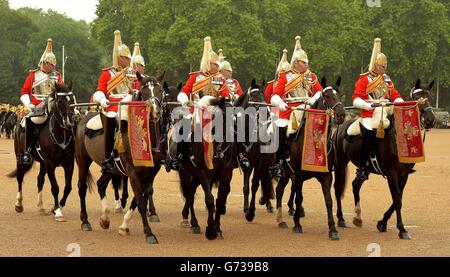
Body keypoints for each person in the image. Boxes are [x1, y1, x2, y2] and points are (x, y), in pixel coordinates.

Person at [166, 36, 224, 171]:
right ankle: (178, 157)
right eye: (215, 64)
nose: (217, 66)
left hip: (215, 112)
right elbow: (184, 92)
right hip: (196, 111)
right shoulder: (195, 77)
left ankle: (234, 156)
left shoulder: (220, 79)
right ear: (208, 64)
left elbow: (225, 95)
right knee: (183, 128)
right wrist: (185, 101)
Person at [352, 38, 403, 180]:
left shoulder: (386, 79)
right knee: (368, 130)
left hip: (385, 110)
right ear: (375, 65)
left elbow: (394, 94)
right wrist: (366, 104)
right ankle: (363, 165)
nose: (384, 69)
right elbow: (356, 98)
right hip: (370, 113)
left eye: (385, 66)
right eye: (382, 66)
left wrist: (399, 101)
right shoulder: (365, 79)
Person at [270, 36, 323, 167]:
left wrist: (313, 99)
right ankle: (279, 161)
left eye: (306, 62)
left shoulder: (311, 76)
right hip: (289, 112)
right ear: (295, 63)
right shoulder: (285, 76)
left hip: (307, 108)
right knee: (280, 131)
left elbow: (319, 91)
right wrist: (281, 104)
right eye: (303, 62)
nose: (306, 65)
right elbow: (274, 96)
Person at [92, 30, 139, 173]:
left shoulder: (133, 74)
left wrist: (130, 98)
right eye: (125, 57)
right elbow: (100, 89)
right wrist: (102, 99)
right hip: (112, 106)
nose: (128, 60)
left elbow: (137, 89)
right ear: (118, 58)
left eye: (128, 58)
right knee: (112, 120)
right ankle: (109, 157)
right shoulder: (107, 73)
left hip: (129, 105)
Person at [19, 38, 63, 164]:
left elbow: (62, 91)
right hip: (38, 107)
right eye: (51, 64)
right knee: (31, 120)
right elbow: (24, 92)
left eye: (54, 64)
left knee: (70, 121)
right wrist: (29, 105)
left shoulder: (57, 75)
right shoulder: (33, 75)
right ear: (44, 63)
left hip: (54, 106)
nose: (53, 67)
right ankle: (28, 151)